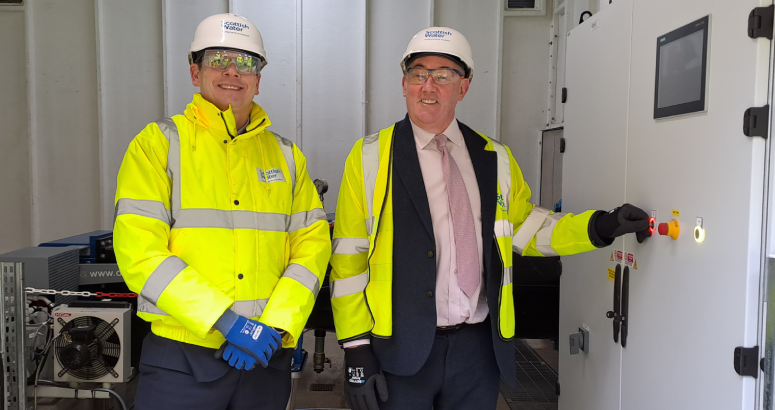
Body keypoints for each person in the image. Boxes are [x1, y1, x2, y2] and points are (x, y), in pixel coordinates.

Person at [329, 27, 650, 410]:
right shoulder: (369, 157)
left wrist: (601, 226)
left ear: (463, 88)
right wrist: (355, 350)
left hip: (478, 351)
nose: (428, 85)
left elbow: (528, 229)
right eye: (418, 73)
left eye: (443, 75)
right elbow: (348, 259)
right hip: (399, 350)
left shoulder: (494, 158)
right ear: (404, 83)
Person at [113, 13, 330, 410]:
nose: (233, 71)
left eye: (247, 62)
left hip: (266, 358)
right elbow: (140, 253)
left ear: (259, 78)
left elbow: (312, 250)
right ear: (195, 72)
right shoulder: (157, 145)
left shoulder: (287, 157)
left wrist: (275, 325)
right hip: (182, 361)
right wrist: (227, 322)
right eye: (218, 59)